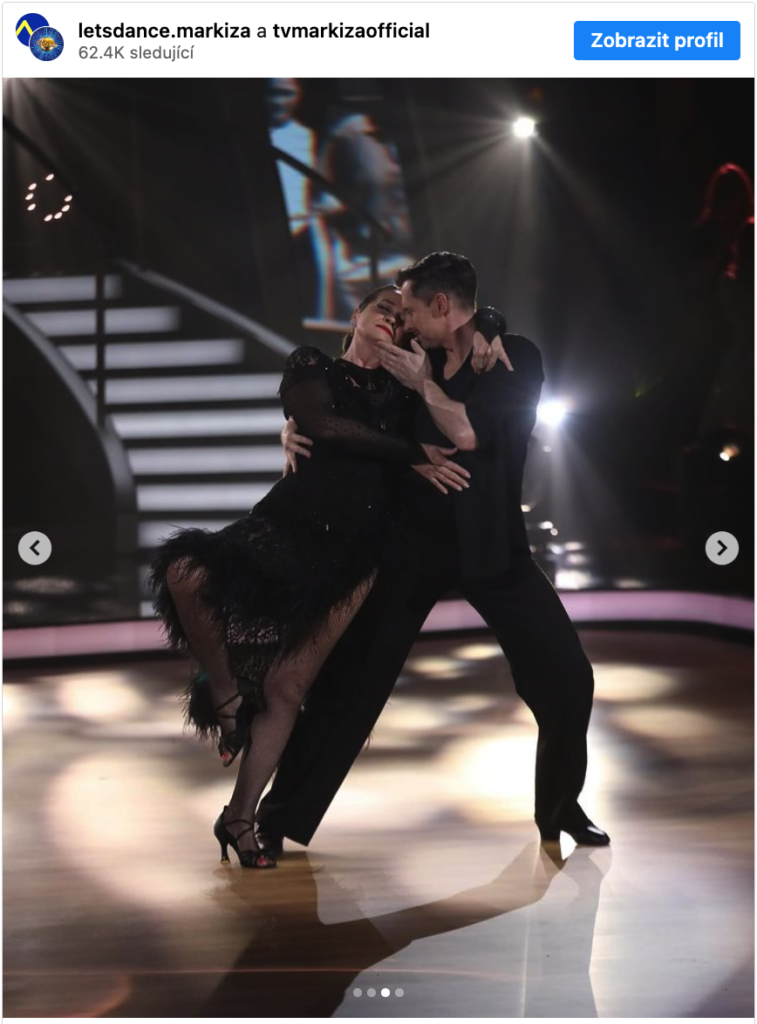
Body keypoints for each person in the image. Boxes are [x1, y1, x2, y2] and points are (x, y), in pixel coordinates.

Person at [258, 252, 610, 852]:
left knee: (568, 678)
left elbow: (468, 432)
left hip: (495, 548)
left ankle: (560, 807)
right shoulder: (405, 362)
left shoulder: (511, 357)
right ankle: (277, 818)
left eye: (411, 310)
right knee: (351, 685)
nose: (403, 322)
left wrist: (462, 348)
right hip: (411, 545)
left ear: (441, 305)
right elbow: (339, 411)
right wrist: (292, 428)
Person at [149, 284, 502, 868]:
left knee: (288, 688)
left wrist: (489, 321)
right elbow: (324, 424)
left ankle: (239, 818)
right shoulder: (312, 365)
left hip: (355, 554)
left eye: (403, 316)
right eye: (382, 307)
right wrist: (412, 452)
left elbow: (465, 321)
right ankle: (226, 691)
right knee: (185, 571)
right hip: (288, 526)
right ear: (356, 315)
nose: (393, 318)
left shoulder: (407, 385)